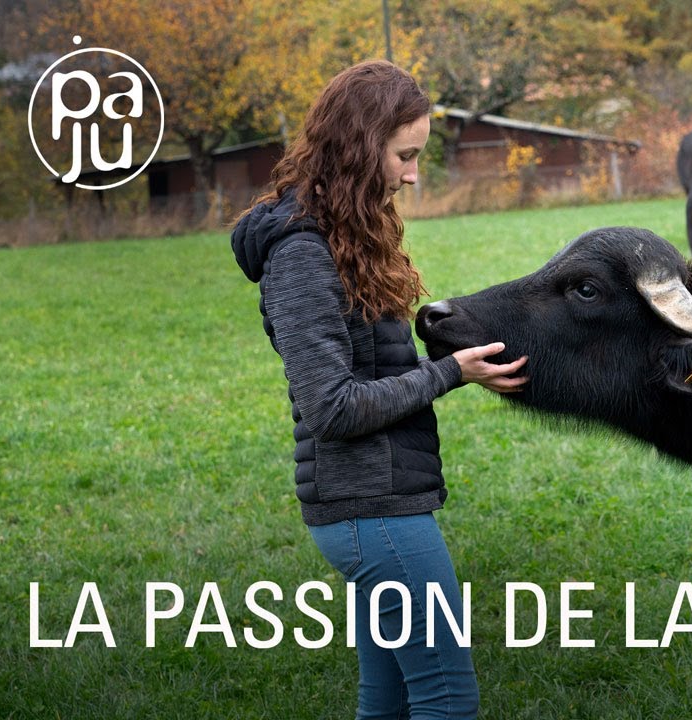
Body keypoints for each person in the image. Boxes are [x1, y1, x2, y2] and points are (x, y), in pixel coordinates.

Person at [231, 60, 526, 719]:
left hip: (376, 507)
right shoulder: (301, 254)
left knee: (387, 701)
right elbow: (332, 406)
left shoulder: (344, 236)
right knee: (448, 697)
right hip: (372, 512)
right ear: (361, 148)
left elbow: (367, 370)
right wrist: (450, 373)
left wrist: (460, 361)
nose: (413, 175)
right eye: (405, 156)